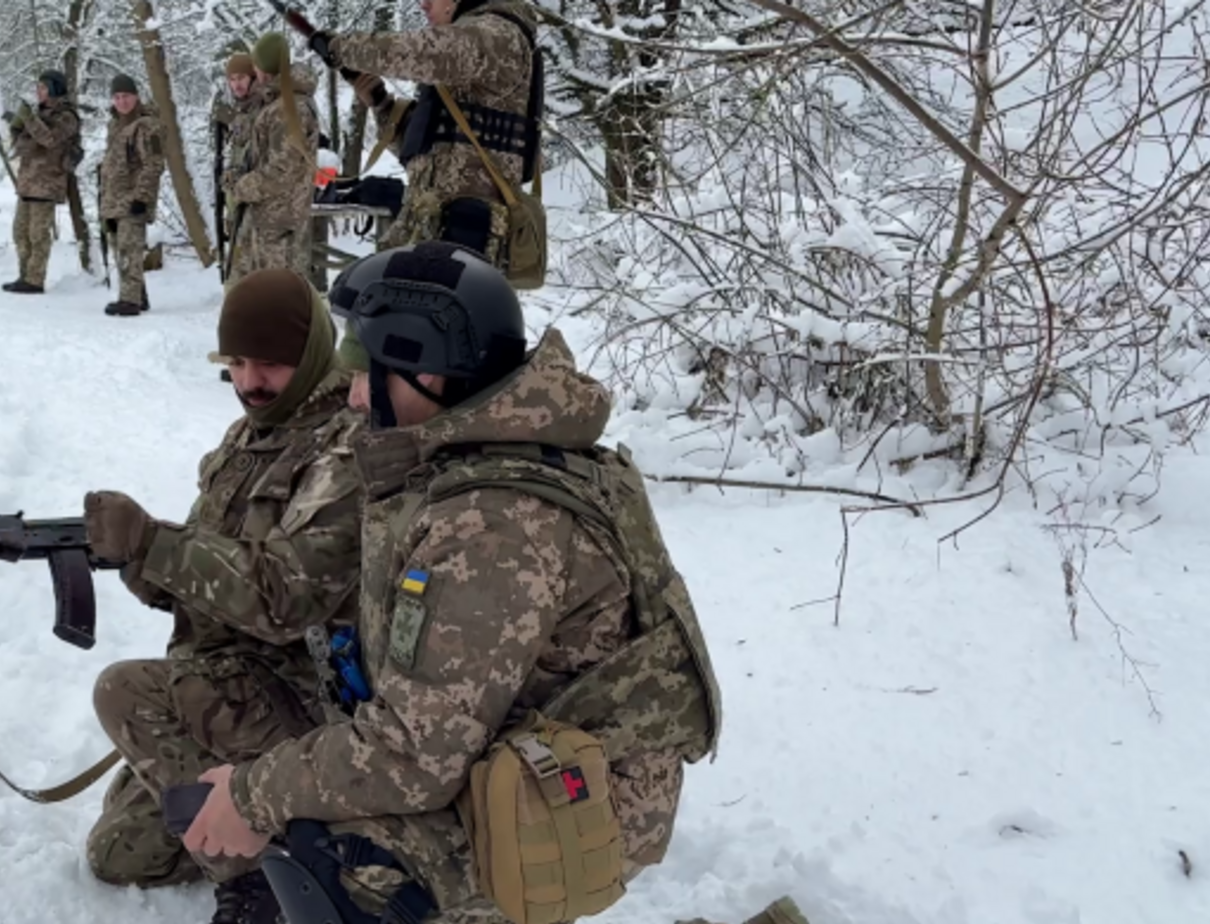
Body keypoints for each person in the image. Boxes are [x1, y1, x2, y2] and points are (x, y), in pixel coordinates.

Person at [175, 242, 766, 924]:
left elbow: (415, 754)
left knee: (342, 868)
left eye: (369, 371)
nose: (356, 394)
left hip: (572, 799)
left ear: (429, 370)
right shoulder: (475, 454)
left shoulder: (493, 523)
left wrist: (254, 794)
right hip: (516, 751)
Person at [82, 268, 365, 924]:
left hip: (306, 700)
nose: (248, 383)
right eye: (235, 363)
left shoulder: (346, 449)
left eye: (269, 364)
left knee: (122, 690)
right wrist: (132, 558)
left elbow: (285, 599)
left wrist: (156, 544)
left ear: (314, 355)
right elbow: (210, 579)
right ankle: (281, 825)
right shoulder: (249, 438)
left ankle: (260, 878)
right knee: (121, 853)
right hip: (228, 689)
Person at [309, 0, 542, 271]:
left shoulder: (497, 35)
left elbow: (420, 51)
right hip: (426, 232)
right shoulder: (467, 56)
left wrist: (342, 48)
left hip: (463, 243)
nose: (423, 4)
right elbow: (426, 152)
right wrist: (381, 102)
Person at [224, 32, 320, 288]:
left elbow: (282, 169)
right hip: (268, 220)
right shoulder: (277, 103)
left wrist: (243, 187)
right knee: (250, 295)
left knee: (277, 300)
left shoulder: (289, 108)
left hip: (280, 225)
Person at [4, 69, 83, 294]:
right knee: (20, 232)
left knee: (38, 234)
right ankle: (24, 275)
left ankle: (35, 279)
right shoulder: (39, 114)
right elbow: (20, 147)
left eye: (43, 88)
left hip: (48, 183)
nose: (38, 92)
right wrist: (17, 127)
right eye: (37, 88)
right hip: (28, 183)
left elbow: (49, 139)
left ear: (55, 89)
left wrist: (29, 119)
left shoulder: (66, 116)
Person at [97, 74, 166, 317]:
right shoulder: (115, 125)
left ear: (135, 96)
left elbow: (154, 163)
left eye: (126, 96)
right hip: (114, 199)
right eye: (117, 97)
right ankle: (138, 295)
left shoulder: (147, 125)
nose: (122, 101)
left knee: (129, 248)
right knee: (121, 249)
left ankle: (129, 299)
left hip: (133, 199)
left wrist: (142, 197)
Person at [213, 52, 261, 284]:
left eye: (241, 77)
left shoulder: (262, 110)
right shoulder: (241, 113)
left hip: (256, 202)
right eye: (232, 79)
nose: (237, 84)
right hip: (238, 202)